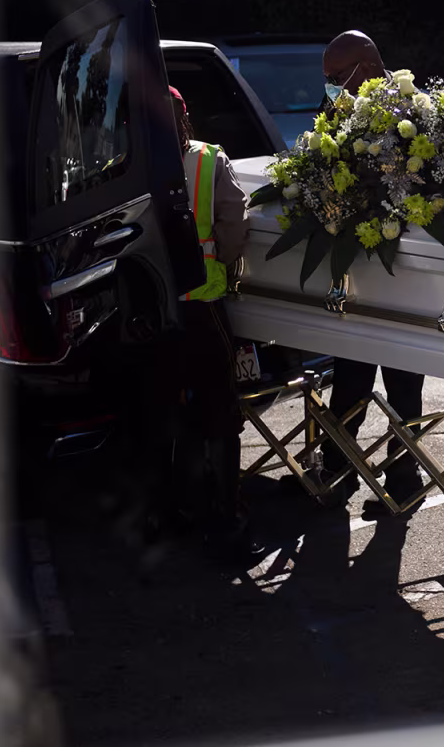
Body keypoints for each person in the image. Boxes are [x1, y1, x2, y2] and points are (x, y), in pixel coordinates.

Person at [317, 31, 426, 513]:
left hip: (405, 276)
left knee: (404, 385)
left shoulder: (417, 114)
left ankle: (404, 476)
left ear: (365, 66)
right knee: (349, 379)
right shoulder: (339, 117)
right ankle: (338, 468)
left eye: (338, 78)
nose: (333, 89)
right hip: (358, 273)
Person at [157, 85, 257, 562]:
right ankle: (226, 517)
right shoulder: (207, 159)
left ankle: (174, 510)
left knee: (168, 409)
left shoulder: (120, 164)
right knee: (220, 412)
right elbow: (234, 223)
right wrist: (226, 262)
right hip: (203, 303)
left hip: (152, 309)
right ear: (185, 116)